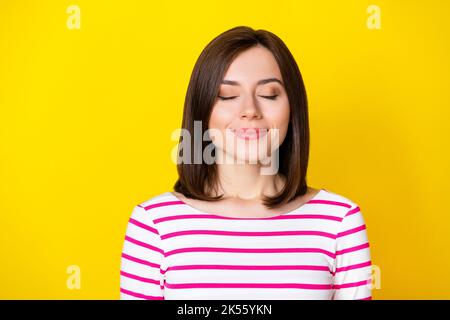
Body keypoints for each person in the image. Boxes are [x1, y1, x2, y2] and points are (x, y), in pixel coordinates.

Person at [119, 26, 372, 300]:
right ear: (202, 109)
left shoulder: (339, 222)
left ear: (293, 108)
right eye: (227, 96)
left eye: (269, 94)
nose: (250, 110)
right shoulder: (153, 224)